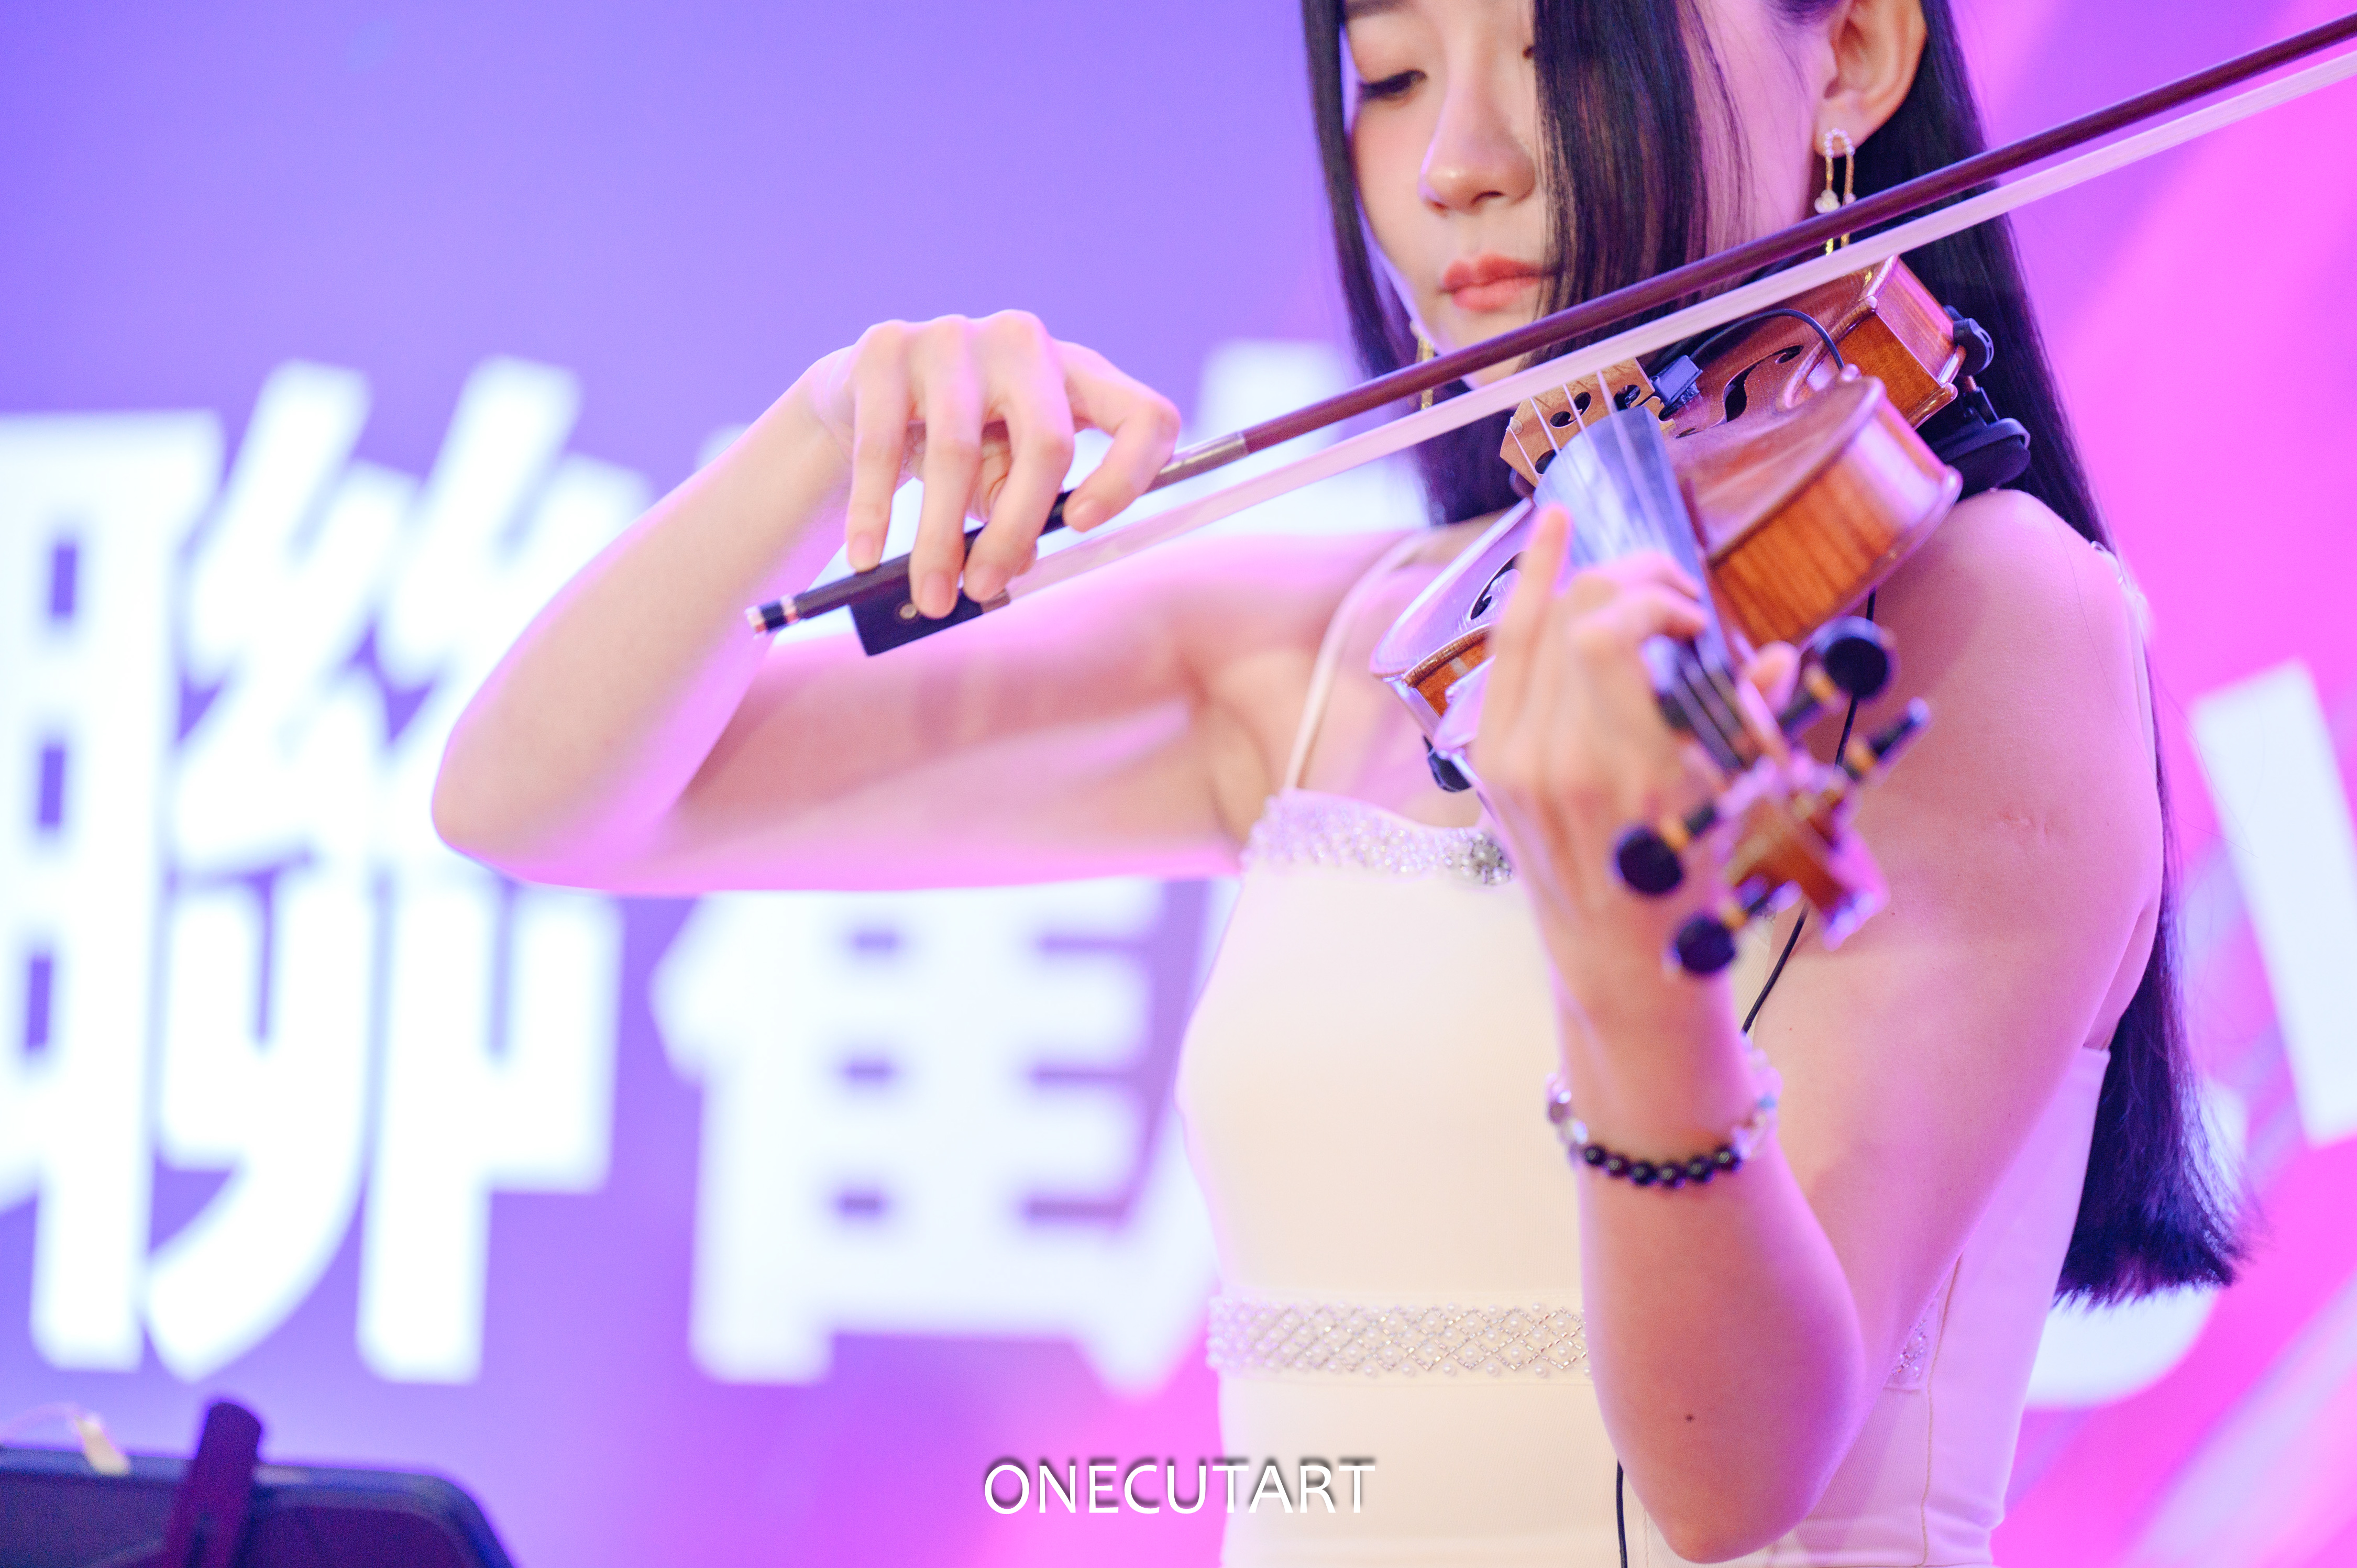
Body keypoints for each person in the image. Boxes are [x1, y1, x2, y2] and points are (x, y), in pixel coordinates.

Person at [432, 0, 2241, 1561]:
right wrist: (823, 435)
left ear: (1844, 51)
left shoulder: (1987, 618)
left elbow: (1726, 1477)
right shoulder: (1343, 646)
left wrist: (1629, 979)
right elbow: (538, 801)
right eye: (1389, 75)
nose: (1454, 163)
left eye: (1553, 53)